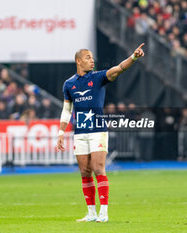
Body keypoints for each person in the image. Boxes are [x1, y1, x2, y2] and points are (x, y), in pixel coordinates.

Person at [56, 43, 145, 223]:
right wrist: (60, 132)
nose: (92, 61)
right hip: (80, 132)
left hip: (97, 130)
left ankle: (103, 212)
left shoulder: (97, 78)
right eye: (88, 57)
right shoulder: (69, 84)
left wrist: (133, 57)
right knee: (84, 172)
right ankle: (91, 213)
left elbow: (118, 69)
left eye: (92, 58)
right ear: (78, 61)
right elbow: (67, 110)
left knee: (98, 168)